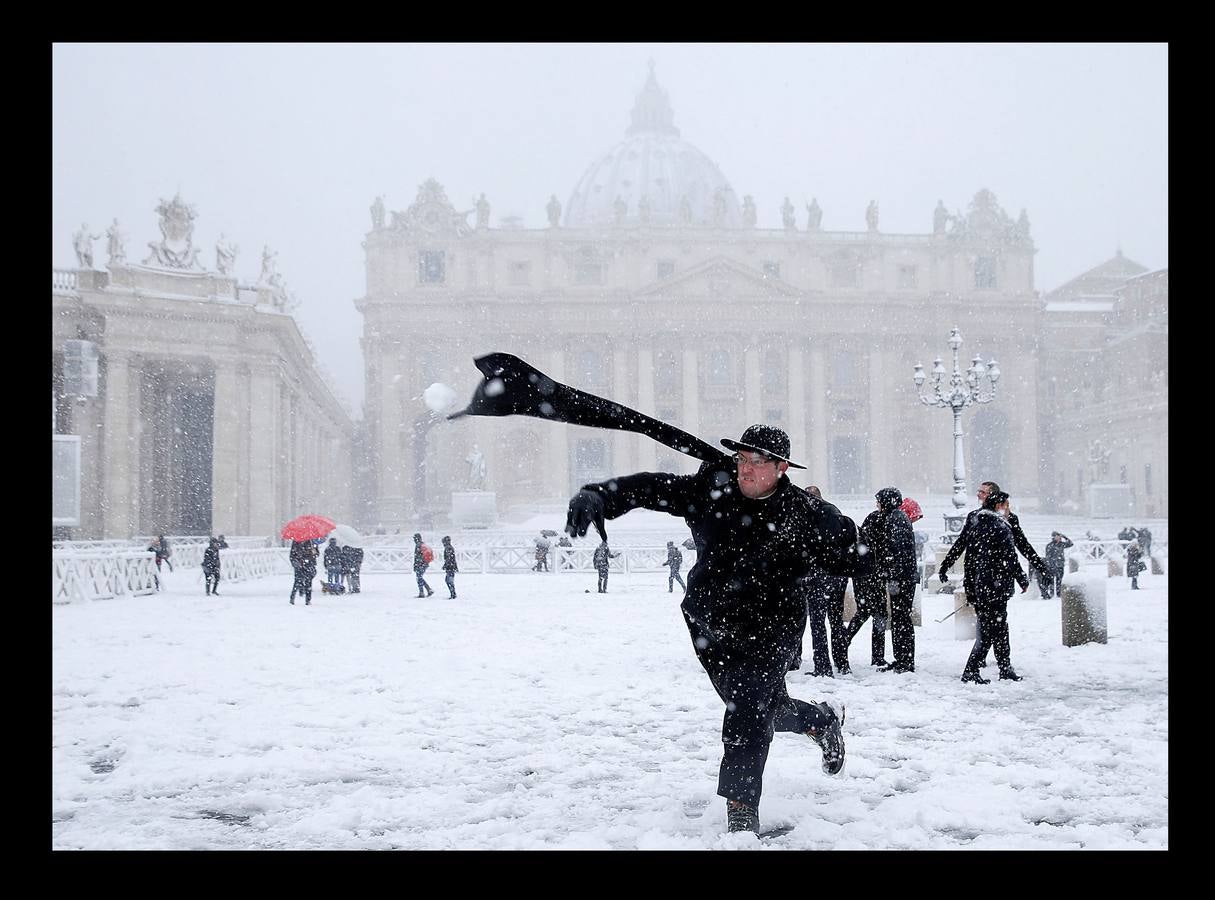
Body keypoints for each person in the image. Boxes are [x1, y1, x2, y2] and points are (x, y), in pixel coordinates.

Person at [565, 424, 855, 834]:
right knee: (762, 708)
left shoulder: (806, 513)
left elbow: (850, 555)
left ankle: (741, 812)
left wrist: (845, 544)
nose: (746, 470)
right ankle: (821, 721)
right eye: (741, 460)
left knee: (748, 706)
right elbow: (653, 486)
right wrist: (601, 494)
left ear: (782, 467)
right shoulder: (711, 491)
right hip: (711, 625)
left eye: (757, 462)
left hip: (771, 627)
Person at [940, 490, 1028, 683]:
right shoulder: (1001, 527)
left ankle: (1003, 667)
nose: (1007, 509)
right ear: (999, 506)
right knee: (993, 630)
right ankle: (974, 670)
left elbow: (968, 556)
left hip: (982, 584)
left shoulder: (976, 523)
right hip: (997, 585)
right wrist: (1022, 578)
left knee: (996, 628)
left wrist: (970, 584)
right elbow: (1010, 558)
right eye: (1006, 505)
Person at [844, 488, 918, 673]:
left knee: (891, 617)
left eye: (878, 501)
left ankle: (901, 660)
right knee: (884, 615)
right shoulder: (892, 518)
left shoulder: (892, 519)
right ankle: (895, 658)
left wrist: (890, 574)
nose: (876, 504)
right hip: (881, 576)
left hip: (885, 576)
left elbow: (894, 550)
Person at [794, 486, 850, 677]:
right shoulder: (833, 511)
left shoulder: (809, 517)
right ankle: (843, 663)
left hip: (819, 577)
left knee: (817, 623)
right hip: (837, 576)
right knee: (836, 621)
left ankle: (823, 667)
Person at [1040, 531, 1073, 599]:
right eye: (1057, 536)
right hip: (1052, 566)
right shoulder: (1049, 545)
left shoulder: (1061, 544)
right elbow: (1048, 557)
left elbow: (1071, 543)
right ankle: (1051, 594)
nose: (1059, 537)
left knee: (1059, 580)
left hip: (1060, 565)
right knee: (1051, 580)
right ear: (1054, 537)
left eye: (1059, 536)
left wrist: (1064, 536)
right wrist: (1051, 564)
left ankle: (1059, 594)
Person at [289, 539, 317, 605]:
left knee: (308, 582)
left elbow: (316, 554)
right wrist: (296, 563)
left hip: (309, 565)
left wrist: (314, 552)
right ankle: (292, 598)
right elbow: (292, 555)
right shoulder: (296, 542)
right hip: (299, 565)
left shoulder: (311, 542)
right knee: (297, 581)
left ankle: (308, 600)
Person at [413, 533, 435, 598]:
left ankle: (422, 592)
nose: (414, 540)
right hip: (425, 564)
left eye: (414, 538)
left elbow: (417, 557)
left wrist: (416, 565)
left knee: (419, 578)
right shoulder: (423, 544)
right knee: (420, 577)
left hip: (420, 564)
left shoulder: (418, 545)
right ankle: (428, 590)